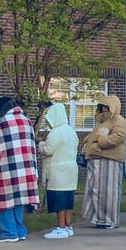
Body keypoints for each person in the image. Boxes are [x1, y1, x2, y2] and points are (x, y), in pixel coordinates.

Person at [0, 96, 39, 243]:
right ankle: (20, 231)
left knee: (4, 201)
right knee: (18, 200)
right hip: (25, 168)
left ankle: (9, 233)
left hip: (7, 168)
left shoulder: (5, 121)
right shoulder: (27, 120)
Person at [81, 94, 126, 230]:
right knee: (95, 191)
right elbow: (96, 134)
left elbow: (119, 136)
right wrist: (88, 140)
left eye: (107, 107)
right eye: (102, 106)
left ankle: (109, 220)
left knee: (109, 192)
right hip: (96, 159)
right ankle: (99, 218)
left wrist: (102, 142)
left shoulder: (118, 120)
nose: (104, 109)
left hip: (110, 160)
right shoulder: (101, 122)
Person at [38, 102, 79, 239]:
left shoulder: (56, 132)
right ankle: (68, 226)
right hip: (71, 170)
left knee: (59, 200)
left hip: (58, 171)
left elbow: (48, 150)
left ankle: (60, 227)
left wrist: (41, 144)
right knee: (68, 199)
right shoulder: (71, 131)